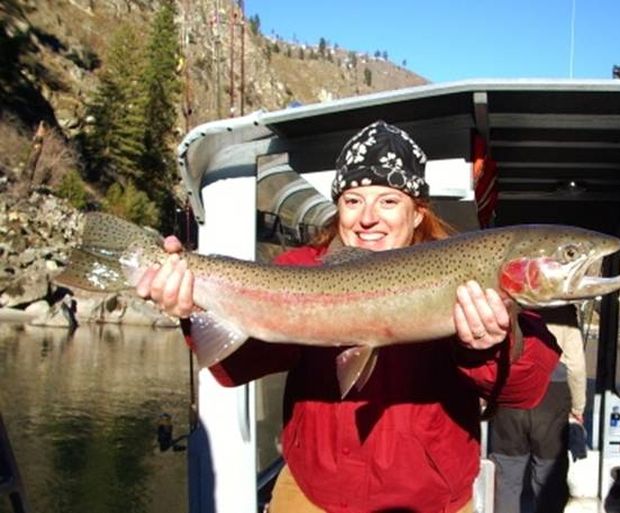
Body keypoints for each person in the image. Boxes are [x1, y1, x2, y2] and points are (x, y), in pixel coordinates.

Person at [136, 120, 561, 513]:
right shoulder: (303, 269)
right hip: (311, 496)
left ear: (417, 213)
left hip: (431, 504)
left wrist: (487, 347)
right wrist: (194, 307)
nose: (368, 217)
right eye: (353, 200)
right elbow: (235, 367)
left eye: (389, 200)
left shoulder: (469, 265)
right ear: (338, 208)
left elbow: (523, 389)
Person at [489, 304, 587, 513]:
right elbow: (576, 366)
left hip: (509, 392)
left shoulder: (506, 301)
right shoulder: (565, 310)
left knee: (507, 475)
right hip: (551, 397)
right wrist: (578, 407)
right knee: (547, 476)